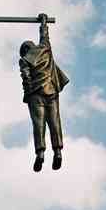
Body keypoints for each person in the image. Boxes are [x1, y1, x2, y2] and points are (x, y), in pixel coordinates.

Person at [19, 14, 69, 172]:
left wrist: (27, 92)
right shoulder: (45, 48)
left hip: (36, 95)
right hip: (51, 91)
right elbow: (44, 35)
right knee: (55, 122)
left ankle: (40, 154)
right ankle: (58, 152)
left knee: (38, 125)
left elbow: (25, 77)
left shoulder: (25, 60)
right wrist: (43, 21)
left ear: (24, 51)